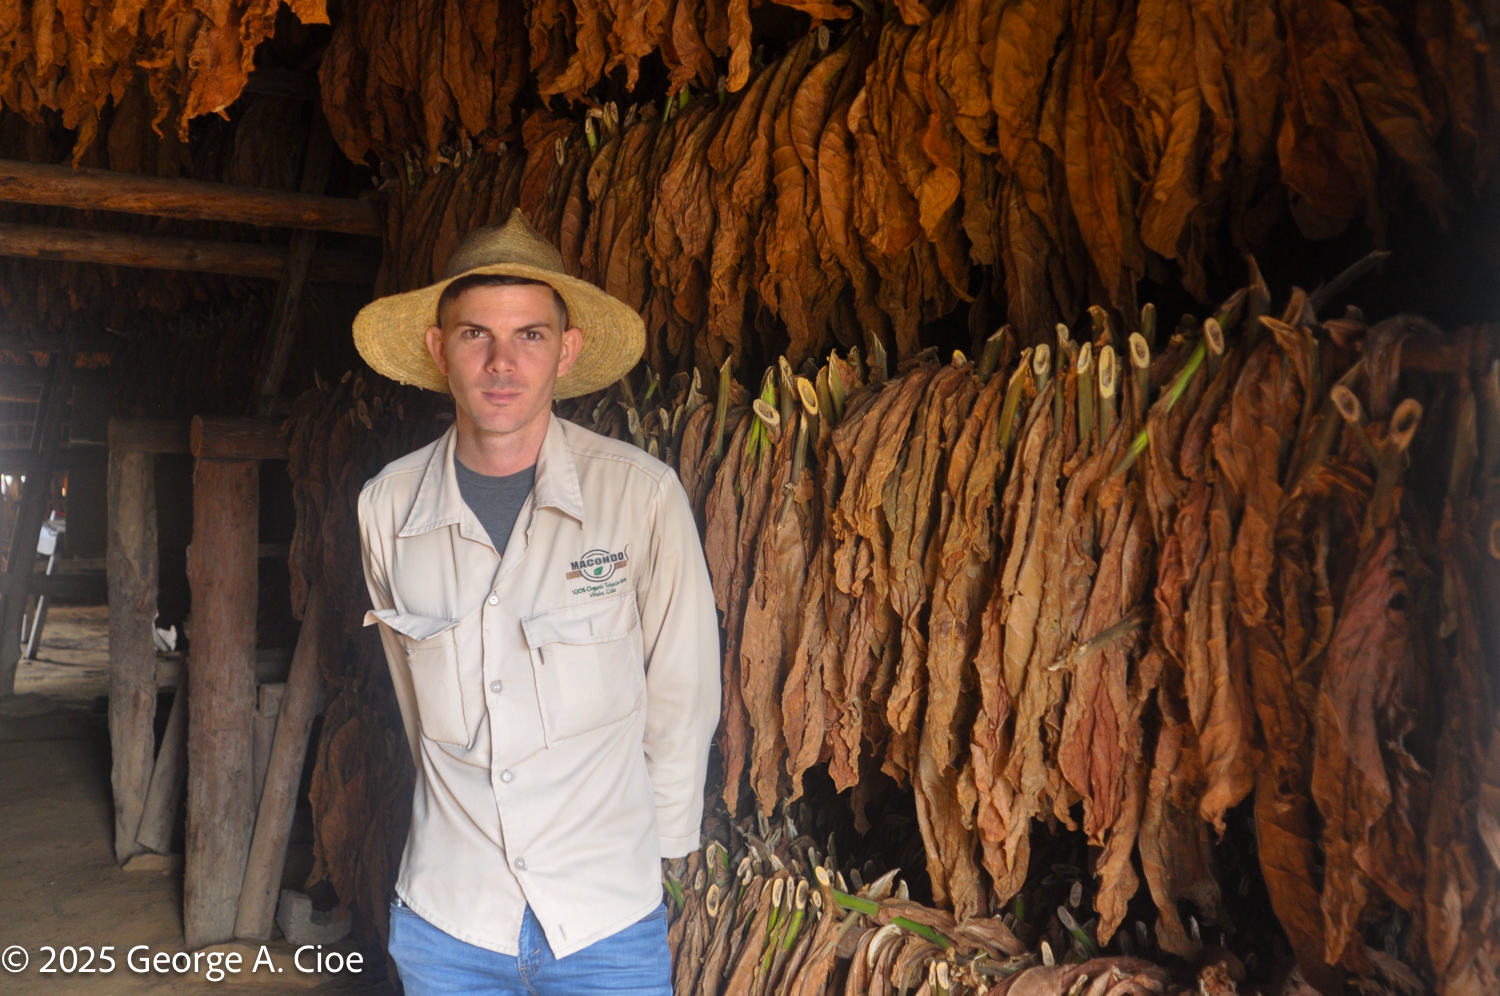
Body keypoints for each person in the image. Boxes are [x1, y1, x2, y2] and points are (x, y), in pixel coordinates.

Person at [351, 209, 720, 996]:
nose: (500, 362)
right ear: (438, 349)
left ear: (568, 350)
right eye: (475, 334)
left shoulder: (639, 497)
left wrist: (651, 857)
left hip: (604, 922)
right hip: (449, 919)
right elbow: (413, 706)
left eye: (530, 336)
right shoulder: (386, 508)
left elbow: (682, 691)